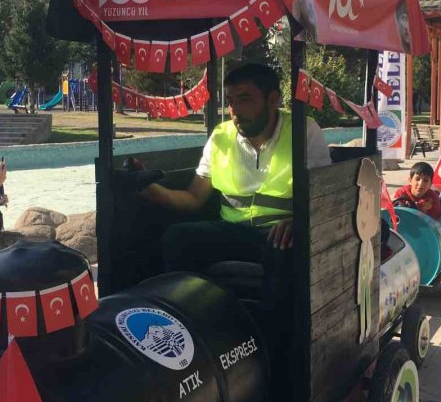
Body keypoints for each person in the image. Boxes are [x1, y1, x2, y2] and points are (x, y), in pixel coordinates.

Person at [141, 64, 331, 273]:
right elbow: (194, 197)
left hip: (277, 235)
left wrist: (299, 221)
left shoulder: (303, 130)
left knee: (287, 248)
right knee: (178, 237)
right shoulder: (221, 136)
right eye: (231, 102)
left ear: (273, 99)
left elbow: (324, 198)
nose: (235, 111)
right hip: (231, 231)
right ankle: (195, 304)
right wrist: (149, 188)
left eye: (245, 99)